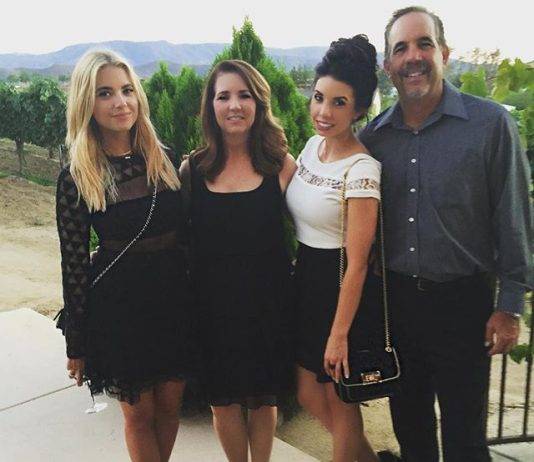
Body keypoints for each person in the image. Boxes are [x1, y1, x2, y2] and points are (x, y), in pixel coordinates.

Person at [359, 6, 534, 462]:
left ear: (445, 53)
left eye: (424, 44)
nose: (413, 57)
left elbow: (513, 217)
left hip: (465, 305)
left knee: (466, 439)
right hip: (398, 307)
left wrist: (509, 306)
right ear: (388, 66)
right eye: (401, 48)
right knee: (411, 431)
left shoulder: (490, 125)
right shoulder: (373, 139)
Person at [56, 50, 195, 462]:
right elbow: (74, 263)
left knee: (170, 406)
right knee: (139, 414)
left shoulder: (166, 157)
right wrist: (76, 340)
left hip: (174, 296)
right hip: (121, 305)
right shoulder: (77, 175)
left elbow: (190, 232)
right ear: (87, 103)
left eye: (127, 90)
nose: (120, 102)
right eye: (105, 93)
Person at [182, 59, 296, 462]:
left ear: (258, 103)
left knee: (264, 401)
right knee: (223, 403)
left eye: (244, 95)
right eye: (223, 96)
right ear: (210, 106)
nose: (234, 105)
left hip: (268, 308)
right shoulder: (192, 170)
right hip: (212, 311)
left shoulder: (282, 166)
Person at [285, 35, 381, 462]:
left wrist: (339, 335)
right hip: (305, 279)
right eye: (319, 97)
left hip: (339, 289)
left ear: (358, 110)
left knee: (342, 401)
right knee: (308, 393)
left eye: (339, 103)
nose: (324, 112)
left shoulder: (362, 169)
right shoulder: (312, 147)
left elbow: (358, 263)